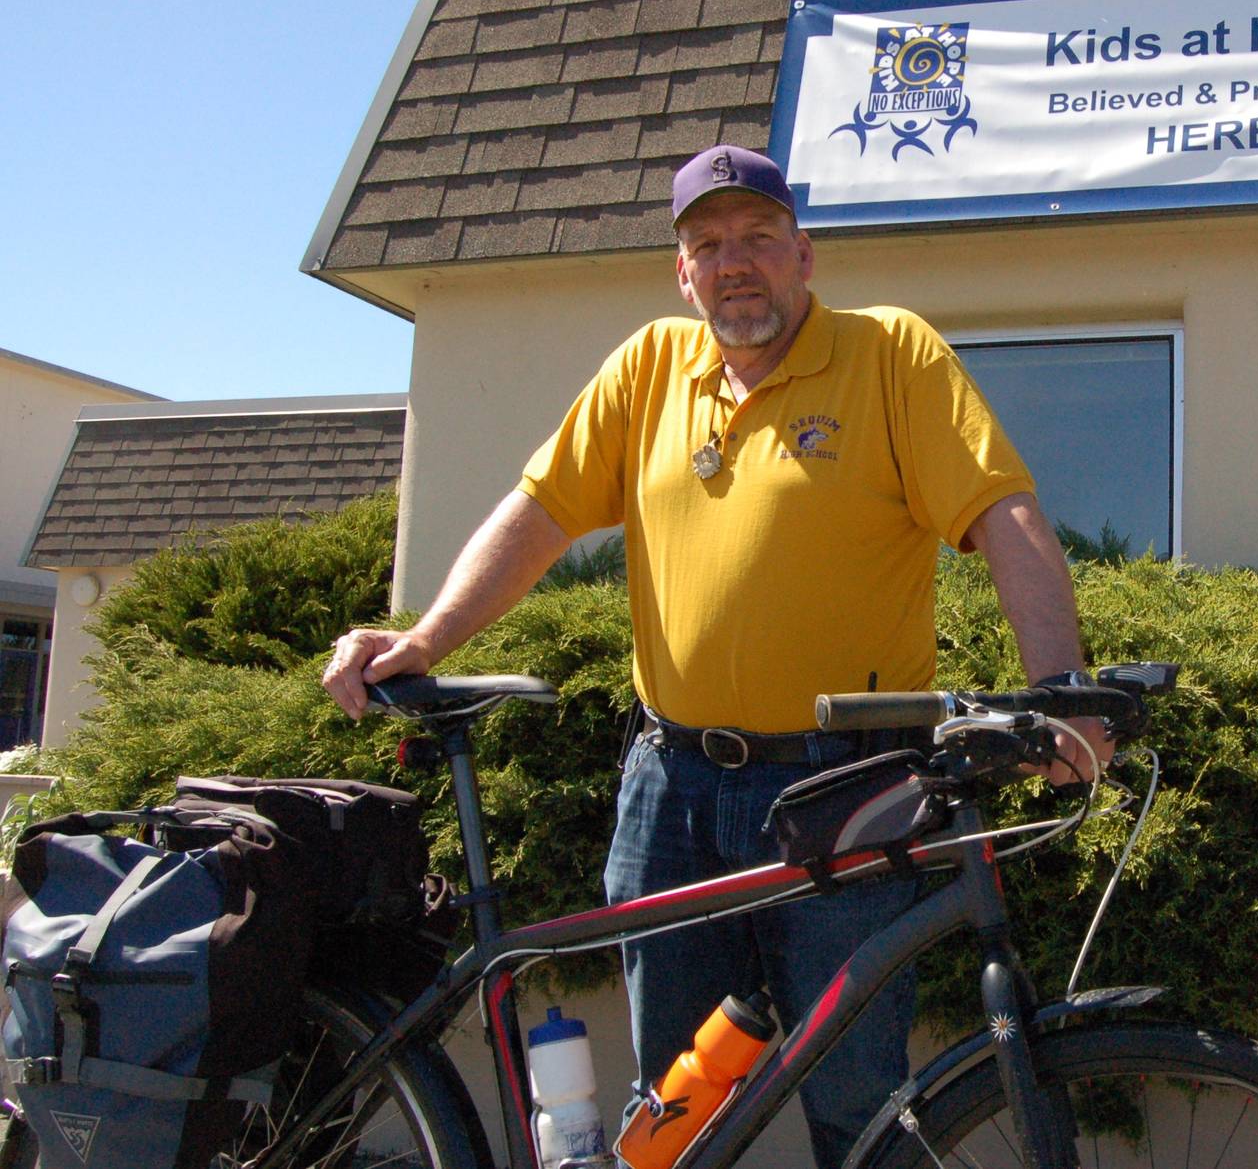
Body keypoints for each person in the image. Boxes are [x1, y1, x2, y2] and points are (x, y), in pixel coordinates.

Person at [322, 144, 1108, 1168]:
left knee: (859, 1103)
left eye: (756, 239)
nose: (733, 263)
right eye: (707, 245)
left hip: (848, 791)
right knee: (674, 1118)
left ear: (803, 256)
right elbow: (538, 514)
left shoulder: (890, 355)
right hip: (672, 790)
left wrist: (1060, 692)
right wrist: (424, 637)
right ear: (680, 273)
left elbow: (1003, 512)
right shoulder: (649, 365)